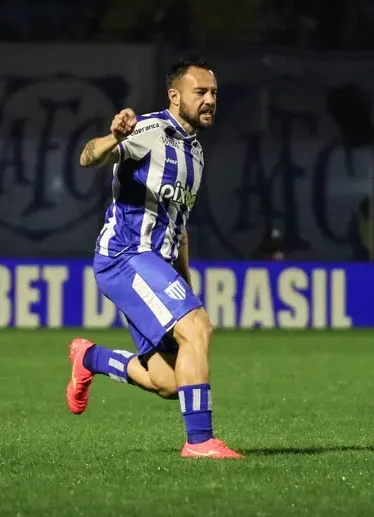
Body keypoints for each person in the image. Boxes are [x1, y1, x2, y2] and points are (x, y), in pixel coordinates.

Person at [67, 57, 243, 459]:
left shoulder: (195, 154)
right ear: (175, 95)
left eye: (214, 93)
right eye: (200, 92)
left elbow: (179, 227)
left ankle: (90, 357)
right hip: (125, 255)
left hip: (156, 265)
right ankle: (199, 443)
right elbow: (87, 157)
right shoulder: (148, 130)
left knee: (171, 382)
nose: (210, 100)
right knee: (198, 330)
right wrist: (113, 137)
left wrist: (184, 284)